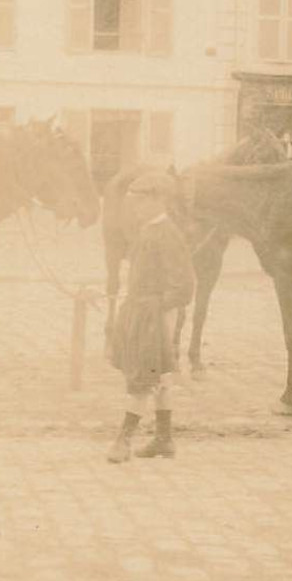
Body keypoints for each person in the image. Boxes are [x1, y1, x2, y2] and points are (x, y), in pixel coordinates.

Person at [104, 170, 196, 463]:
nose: (136, 209)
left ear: (158, 201)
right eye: (133, 203)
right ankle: (164, 439)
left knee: (144, 376)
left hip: (157, 317)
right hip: (143, 313)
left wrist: (153, 307)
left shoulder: (168, 234)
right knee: (161, 376)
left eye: (141, 202)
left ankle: (123, 440)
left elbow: (184, 288)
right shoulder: (147, 230)